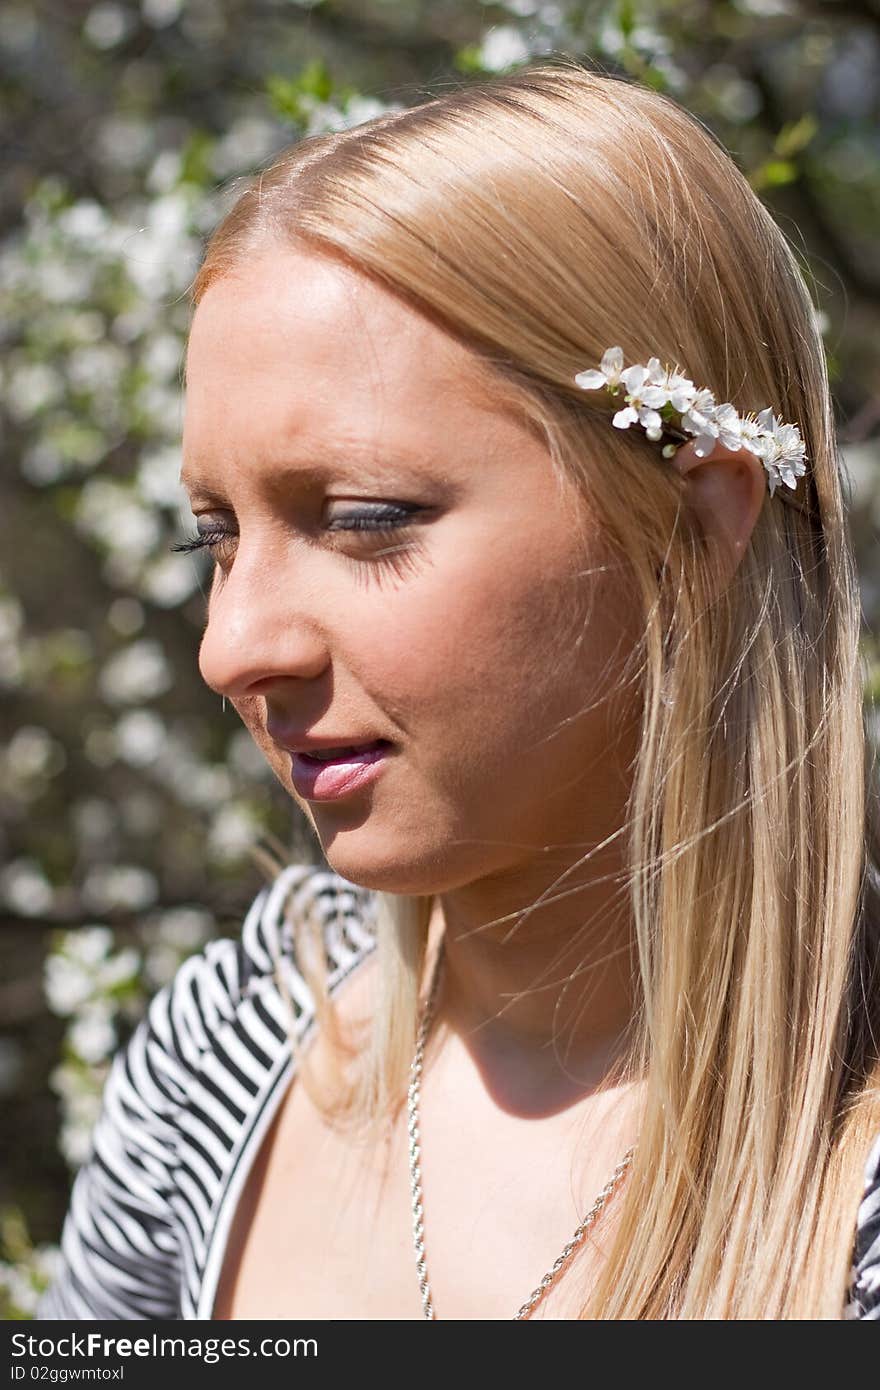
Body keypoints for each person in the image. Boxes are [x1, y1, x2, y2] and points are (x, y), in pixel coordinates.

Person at [37, 57, 880, 1321]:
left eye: (367, 519)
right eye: (210, 537)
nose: (231, 647)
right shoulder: (227, 1065)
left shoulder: (845, 1193)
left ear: (694, 529)